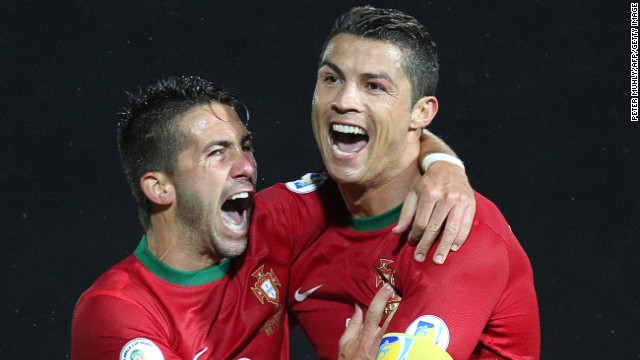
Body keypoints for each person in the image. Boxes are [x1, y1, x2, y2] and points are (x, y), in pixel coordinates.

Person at [70, 76, 474, 359]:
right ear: (160, 188)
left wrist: (442, 164)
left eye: (244, 147)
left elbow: (384, 162)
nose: (245, 165)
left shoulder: (270, 224)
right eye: (217, 153)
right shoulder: (115, 312)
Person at [288, 6, 540, 360]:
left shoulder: (459, 234)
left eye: (374, 86)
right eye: (331, 79)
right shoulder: (292, 221)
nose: (344, 101)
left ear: (422, 113)